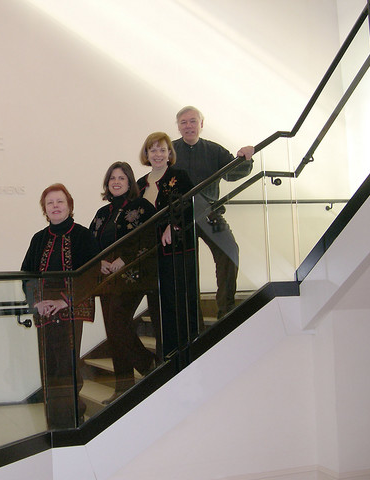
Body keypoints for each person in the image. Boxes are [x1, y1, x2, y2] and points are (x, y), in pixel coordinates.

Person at [21, 183, 100, 429]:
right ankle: (54, 419)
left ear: (69, 205)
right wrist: (36, 302)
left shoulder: (84, 235)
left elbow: (91, 273)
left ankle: (73, 417)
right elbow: (27, 274)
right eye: (50, 203)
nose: (55, 206)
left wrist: (62, 300)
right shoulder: (38, 238)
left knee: (67, 363)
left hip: (71, 304)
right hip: (44, 307)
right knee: (50, 364)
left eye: (60, 202)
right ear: (45, 209)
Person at [173, 106, 254, 320]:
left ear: (201, 123)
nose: (188, 125)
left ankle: (226, 310)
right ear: (178, 127)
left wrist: (245, 157)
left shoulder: (214, 150)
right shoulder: (170, 150)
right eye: (183, 122)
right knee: (186, 266)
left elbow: (234, 172)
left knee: (229, 251)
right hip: (179, 218)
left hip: (210, 214)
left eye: (192, 121)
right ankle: (192, 320)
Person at [89, 162, 157, 404]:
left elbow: (150, 238)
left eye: (121, 178)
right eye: (112, 178)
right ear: (107, 184)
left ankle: (149, 365)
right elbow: (91, 245)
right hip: (106, 279)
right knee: (113, 329)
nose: (116, 182)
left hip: (133, 277)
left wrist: (124, 259)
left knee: (118, 320)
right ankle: (122, 387)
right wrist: (98, 263)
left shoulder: (142, 207)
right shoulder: (101, 214)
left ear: (130, 182)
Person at [136, 132, 198, 360]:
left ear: (170, 153)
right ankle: (168, 355)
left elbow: (190, 205)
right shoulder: (140, 184)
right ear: (146, 154)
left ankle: (187, 350)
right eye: (153, 150)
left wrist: (174, 225)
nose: (158, 154)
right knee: (161, 307)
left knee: (179, 301)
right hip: (152, 255)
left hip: (177, 250)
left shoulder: (179, 176)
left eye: (163, 150)